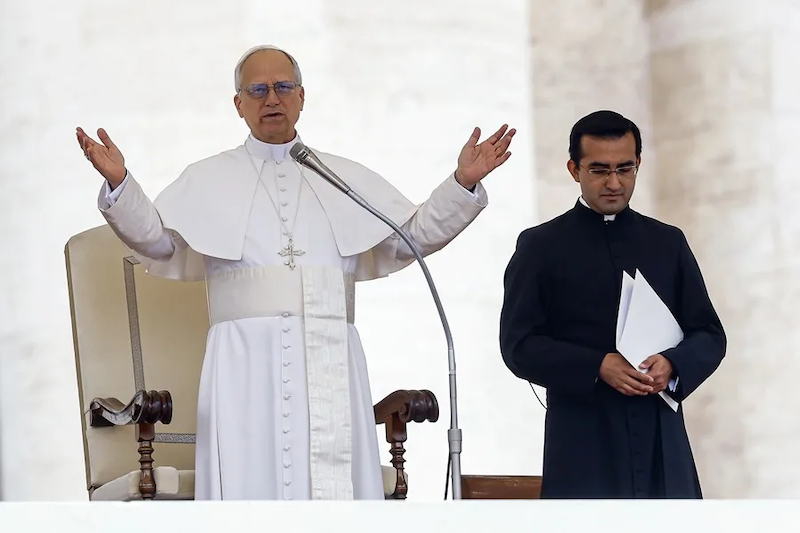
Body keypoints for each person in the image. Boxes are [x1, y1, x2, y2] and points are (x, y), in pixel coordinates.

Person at [76, 44, 515, 501]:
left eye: (284, 87)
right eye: (258, 89)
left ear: (302, 97)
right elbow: (157, 243)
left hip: (331, 357)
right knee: (249, 487)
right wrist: (120, 186)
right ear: (238, 103)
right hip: (242, 365)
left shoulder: (339, 176)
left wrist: (461, 184)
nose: (272, 99)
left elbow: (409, 238)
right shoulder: (207, 178)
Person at [498, 110, 725, 499]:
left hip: (660, 432)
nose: (614, 183)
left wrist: (672, 364)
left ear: (639, 164)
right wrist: (596, 365)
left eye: (626, 168)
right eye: (600, 170)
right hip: (583, 437)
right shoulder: (541, 247)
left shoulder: (667, 243)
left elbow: (708, 334)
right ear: (574, 169)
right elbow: (518, 345)